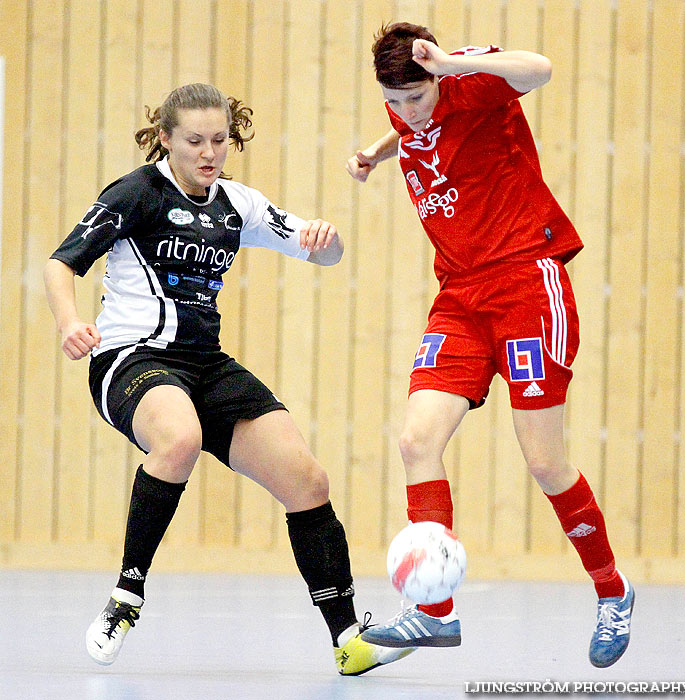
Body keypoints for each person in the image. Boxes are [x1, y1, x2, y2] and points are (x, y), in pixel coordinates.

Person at [44, 82, 414, 676]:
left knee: (307, 480)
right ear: (165, 138)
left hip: (205, 364)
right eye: (193, 141)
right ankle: (126, 595)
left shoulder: (234, 203)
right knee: (180, 438)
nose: (208, 152)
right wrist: (69, 322)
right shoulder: (136, 194)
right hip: (131, 358)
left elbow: (323, 254)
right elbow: (62, 263)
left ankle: (349, 638)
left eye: (219, 139)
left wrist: (326, 238)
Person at [346, 23, 634, 668]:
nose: (406, 112)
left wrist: (446, 65)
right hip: (461, 298)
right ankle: (433, 613)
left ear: (436, 75)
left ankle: (612, 591)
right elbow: (416, 130)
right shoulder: (407, 106)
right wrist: (376, 150)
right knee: (417, 440)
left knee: (544, 463)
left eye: (416, 97)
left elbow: (541, 67)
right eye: (393, 101)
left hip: (528, 281)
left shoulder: (470, 80)